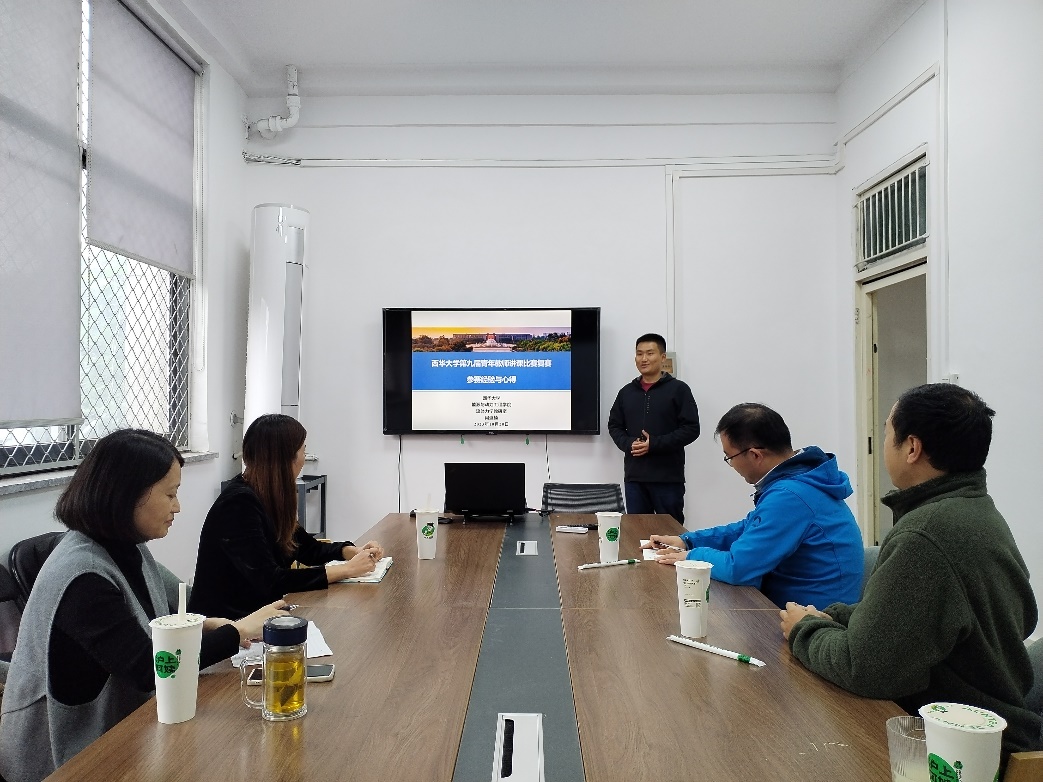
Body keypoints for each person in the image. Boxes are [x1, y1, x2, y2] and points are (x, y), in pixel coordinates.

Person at [0, 430, 287, 782]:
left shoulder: (127, 548)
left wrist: (203, 624)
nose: (177, 507)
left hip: (123, 729)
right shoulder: (81, 575)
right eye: (170, 494)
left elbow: (165, 613)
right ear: (127, 495)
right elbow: (149, 666)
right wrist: (236, 632)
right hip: (63, 759)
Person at [780, 384, 1041, 761]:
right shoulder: (977, 510)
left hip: (956, 753)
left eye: (888, 432)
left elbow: (864, 669)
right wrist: (836, 618)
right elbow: (1016, 618)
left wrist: (804, 630)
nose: (885, 442)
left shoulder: (926, 533)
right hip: (984, 729)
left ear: (912, 447)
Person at [646, 403, 864, 608]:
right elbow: (749, 527)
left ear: (755, 455)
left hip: (813, 619)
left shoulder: (790, 496)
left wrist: (692, 557)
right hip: (794, 604)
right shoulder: (800, 480)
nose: (731, 465)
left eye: (729, 457)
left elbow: (738, 568)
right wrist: (687, 541)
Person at [190, 414, 384, 619]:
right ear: (286, 459)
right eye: (303, 451)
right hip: (228, 625)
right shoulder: (238, 504)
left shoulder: (268, 494)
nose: (304, 459)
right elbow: (270, 580)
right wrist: (346, 570)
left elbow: (307, 548)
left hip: (259, 615)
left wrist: (350, 551)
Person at [607, 333, 700, 524]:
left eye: (650, 353)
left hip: (668, 478)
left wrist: (654, 444)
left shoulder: (679, 389)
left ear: (662, 357)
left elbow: (691, 428)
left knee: (670, 531)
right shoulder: (626, 392)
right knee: (636, 530)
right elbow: (614, 425)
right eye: (639, 353)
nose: (644, 359)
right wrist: (628, 443)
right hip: (635, 477)